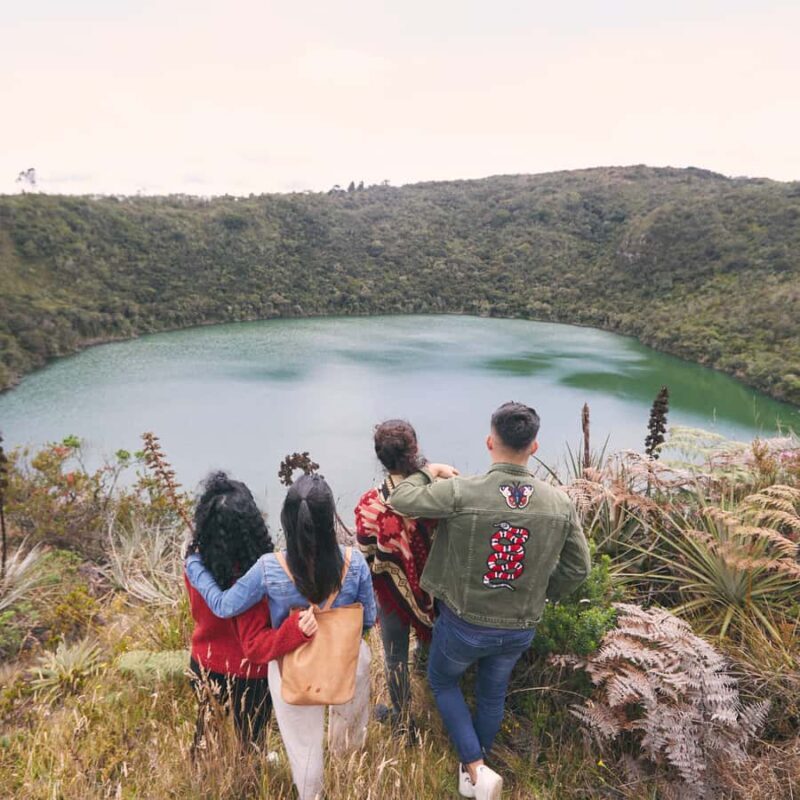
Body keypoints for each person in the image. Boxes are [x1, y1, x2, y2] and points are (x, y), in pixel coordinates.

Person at [390, 402, 591, 800]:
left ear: (489, 442)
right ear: (534, 447)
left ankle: (475, 767)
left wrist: (430, 470)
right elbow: (579, 568)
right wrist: (542, 592)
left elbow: (402, 498)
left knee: (442, 680)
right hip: (519, 626)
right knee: (492, 694)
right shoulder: (559, 504)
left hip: (464, 624)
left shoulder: (462, 491)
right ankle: (475, 777)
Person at [186, 473, 377, 800]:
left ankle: (312, 794)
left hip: (293, 665)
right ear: (329, 519)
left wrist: (193, 566)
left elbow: (224, 605)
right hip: (347, 659)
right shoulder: (355, 561)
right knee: (349, 735)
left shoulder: (268, 568)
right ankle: (348, 780)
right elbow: (369, 618)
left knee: (304, 747)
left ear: (286, 520)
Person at [185, 472, 317, 751]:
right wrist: (295, 629)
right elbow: (259, 639)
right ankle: (248, 774)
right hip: (251, 674)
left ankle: (203, 773)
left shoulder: (196, 567)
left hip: (204, 662)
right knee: (252, 744)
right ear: (252, 525)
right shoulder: (259, 578)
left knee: (205, 736)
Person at [354, 419, 435, 736]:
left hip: (391, 593)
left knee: (395, 658)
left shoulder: (369, 504)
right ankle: (431, 682)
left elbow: (365, 555)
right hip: (434, 588)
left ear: (380, 457)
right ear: (415, 449)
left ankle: (402, 720)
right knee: (431, 637)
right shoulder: (435, 493)